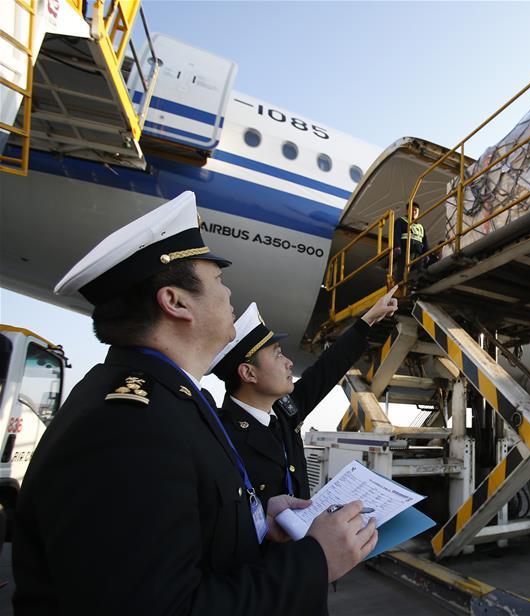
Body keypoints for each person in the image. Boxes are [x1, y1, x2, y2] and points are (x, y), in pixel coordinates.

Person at [12, 192, 376, 616]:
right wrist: (315, 560)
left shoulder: (173, 403)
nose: (228, 292)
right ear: (176, 302)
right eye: (218, 279)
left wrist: (259, 520)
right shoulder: (127, 426)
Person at [208, 288, 398, 508]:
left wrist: (369, 318)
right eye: (277, 354)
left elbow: (326, 369)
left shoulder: (283, 411)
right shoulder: (221, 438)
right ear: (249, 373)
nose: (289, 362)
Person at [393, 201, 429, 281]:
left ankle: (414, 284)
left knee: (417, 271)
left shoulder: (421, 227)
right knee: (403, 271)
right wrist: (397, 246)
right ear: (407, 210)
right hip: (405, 251)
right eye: (412, 210)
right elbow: (396, 234)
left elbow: (425, 241)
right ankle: (400, 283)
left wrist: (426, 253)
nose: (414, 212)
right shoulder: (400, 221)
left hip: (418, 253)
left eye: (416, 210)